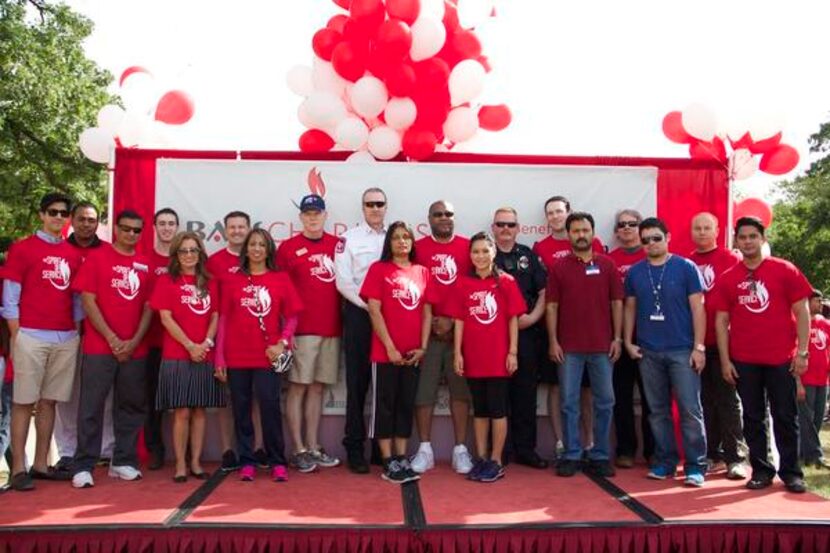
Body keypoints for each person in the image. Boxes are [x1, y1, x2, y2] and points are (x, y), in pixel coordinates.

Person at [714, 216, 812, 494]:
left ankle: (792, 473)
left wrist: (802, 352)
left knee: (785, 416)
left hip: (782, 359)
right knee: (753, 417)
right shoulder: (728, 278)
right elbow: (721, 321)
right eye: (742, 237)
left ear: (762, 239)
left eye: (752, 236)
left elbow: (802, 311)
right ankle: (760, 470)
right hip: (745, 361)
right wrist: (725, 360)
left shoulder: (784, 270)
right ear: (736, 241)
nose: (747, 241)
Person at [2, 192, 83, 491]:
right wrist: (17, 334)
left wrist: (75, 332)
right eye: (53, 212)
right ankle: (19, 469)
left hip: (65, 337)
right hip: (30, 336)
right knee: (23, 402)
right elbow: (9, 297)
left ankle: (40, 464)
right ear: (41, 214)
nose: (58, 217)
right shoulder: (22, 249)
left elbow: (77, 301)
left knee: (49, 403)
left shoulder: (74, 254)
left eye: (63, 213)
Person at [72, 209, 154, 489]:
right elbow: (88, 301)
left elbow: (148, 308)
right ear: (116, 229)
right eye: (127, 229)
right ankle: (83, 465)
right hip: (99, 347)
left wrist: (132, 341)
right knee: (91, 406)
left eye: (137, 230)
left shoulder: (145, 263)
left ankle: (123, 461)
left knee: (130, 406)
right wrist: (111, 338)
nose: (131, 234)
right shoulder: (97, 258)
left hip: (135, 349)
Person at [623, 217, 708, 487]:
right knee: (657, 411)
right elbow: (629, 309)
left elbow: (698, 309)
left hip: (683, 351)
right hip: (648, 351)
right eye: (645, 240)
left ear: (668, 237)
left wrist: (699, 347)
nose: (650, 244)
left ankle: (696, 466)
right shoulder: (636, 272)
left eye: (655, 238)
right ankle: (665, 462)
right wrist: (627, 340)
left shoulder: (685, 267)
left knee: (689, 410)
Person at [215, 228, 302, 482]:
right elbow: (223, 320)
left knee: (270, 406)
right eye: (252, 244)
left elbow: (293, 316)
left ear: (268, 250)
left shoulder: (281, 278)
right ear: (246, 249)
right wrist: (219, 356)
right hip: (237, 354)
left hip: (268, 355)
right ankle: (247, 460)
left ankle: (277, 460)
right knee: (241, 409)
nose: (256, 249)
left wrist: (282, 343)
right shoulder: (233, 280)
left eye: (261, 245)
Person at [547, 212, 622, 478]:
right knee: (569, 403)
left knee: (605, 401)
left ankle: (600, 455)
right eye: (576, 230)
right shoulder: (559, 267)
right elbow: (552, 306)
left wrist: (618, 338)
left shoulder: (608, 265)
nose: (581, 235)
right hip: (568, 349)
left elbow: (617, 303)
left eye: (585, 230)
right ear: (568, 235)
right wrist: (553, 341)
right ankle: (571, 455)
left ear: (593, 232)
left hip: (603, 347)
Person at [360, 221, 432, 483]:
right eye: (396, 238)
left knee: (405, 406)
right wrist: (389, 347)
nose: (402, 241)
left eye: (406, 237)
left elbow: (426, 311)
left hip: (413, 354)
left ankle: (402, 457)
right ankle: (388, 460)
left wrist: (423, 347)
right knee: (385, 407)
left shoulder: (422, 272)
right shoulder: (379, 270)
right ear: (388, 243)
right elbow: (374, 310)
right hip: (385, 354)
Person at [150, 231, 224, 482]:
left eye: (193, 250)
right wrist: (189, 345)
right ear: (176, 255)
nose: (189, 255)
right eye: (184, 251)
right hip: (177, 353)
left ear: (200, 253)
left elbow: (215, 315)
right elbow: (165, 317)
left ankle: (196, 462)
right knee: (181, 411)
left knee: (200, 411)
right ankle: (180, 463)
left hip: (204, 352)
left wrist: (205, 343)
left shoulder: (210, 281)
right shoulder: (167, 281)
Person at [452, 232, 527, 482]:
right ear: (470, 255)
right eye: (476, 252)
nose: (480, 256)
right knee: (480, 410)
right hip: (473, 358)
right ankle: (482, 458)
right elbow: (459, 321)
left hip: (498, 358)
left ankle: (496, 461)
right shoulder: (463, 283)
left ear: (493, 253)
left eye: (485, 251)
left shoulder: (506, 281)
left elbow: (513, 319)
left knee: (497, 410)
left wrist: (513, 352)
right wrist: (458, 353)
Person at [276, 194, 342, 473]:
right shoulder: (288, 248)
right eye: (308, 213)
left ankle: (314, 446)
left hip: (332, 328)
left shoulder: (338, 245)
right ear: (301, 217)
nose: (313, 217)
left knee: (317, 388)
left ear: (325, 215)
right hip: (302, 330)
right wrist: (285, 333)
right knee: (298, 387)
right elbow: (280, 293)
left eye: (317, 213)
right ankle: (298, 448)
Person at [533, 196, 603, 457]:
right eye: (550, 213)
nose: (555, 217)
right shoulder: (541, 247)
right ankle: (562, 442)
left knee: (587, 391)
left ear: (569, 213)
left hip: (590, 331)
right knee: (557, 388)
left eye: (559, 211)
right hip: (556, 331)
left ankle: (591, 441)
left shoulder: (593, 245)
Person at [410, 200, 473, 475]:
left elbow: (474, 287)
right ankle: (425, 450)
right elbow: (410, 284)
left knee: (461, 394)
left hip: (461, 333)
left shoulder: (468, 247)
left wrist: (452, 321)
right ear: (429, 218)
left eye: (449, 213)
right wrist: (433, 321)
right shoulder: (418, 248)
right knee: (424, 394)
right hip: (428, 333)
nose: (444, 218)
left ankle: (460, 450)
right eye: (438, 214)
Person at [54, 202, 114, 475]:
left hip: (99, 334)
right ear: (72, 221)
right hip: (62, 331)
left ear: (98, 222)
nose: (86, 224)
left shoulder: (108, 253)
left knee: (105, 396)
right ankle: (67, 451)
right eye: (81, 219)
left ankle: (105, 449)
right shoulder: (58, 251)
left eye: (91, 220)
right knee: (67, 395)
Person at [688, 212, 747, 479]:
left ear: (717, 230)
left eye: (706, 228)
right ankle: (712, 454)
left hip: (726, 344)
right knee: (704, 402)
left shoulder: (731, 259)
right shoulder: (686, 262)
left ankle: (735, 457)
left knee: (727, 401)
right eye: (697, 228)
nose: (701, 232)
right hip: (696, 344)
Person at [206, 210, 264, 472]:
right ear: (225, 230)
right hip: (225, 340)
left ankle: (258, 448)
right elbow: (215, 307)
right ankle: (228, 450)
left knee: (258, 399)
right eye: (233, 227)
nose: (238, 231)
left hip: (258, 343)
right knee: (229, 400)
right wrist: (217, 348)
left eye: (242, 227)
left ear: (250, 229)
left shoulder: (259, 258)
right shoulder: (215, 262)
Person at [335, 187, 388, 474]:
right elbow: (343, 283)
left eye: (380, 204)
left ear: (386, 206)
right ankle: (354, 448)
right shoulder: (349, 239)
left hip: (391, 319)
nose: (375, 208)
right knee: (357, 386)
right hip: (360, 314)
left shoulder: (395, 236)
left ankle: (383, 447)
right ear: (362, 207)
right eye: (370, 204)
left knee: (385, 385)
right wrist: (370, 307)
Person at [492, 207, 548, 468]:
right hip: (494, 335)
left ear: (518, 227)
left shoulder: (529, 256)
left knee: (525, 394)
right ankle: (498, 451)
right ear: (493, 227)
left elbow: (544, 291)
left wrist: (535, 317)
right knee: (497, 395)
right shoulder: (484, 255)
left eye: (510, 225)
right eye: (501, 224)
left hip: (526, 333)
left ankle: (526, 450)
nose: (505, 229)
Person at [607, 209, 653, 468]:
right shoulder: (608, 260)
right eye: (621, 224)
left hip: (650, 339)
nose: (626, 228)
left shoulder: (652, 257)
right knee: (621, 398)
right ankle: (625, 450)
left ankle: (653, 451)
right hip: (619, 340)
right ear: (615, 231)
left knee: (652, 400)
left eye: (632, 224)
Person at [145, 207, 180, 470]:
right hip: (150, 343)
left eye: (171, 223)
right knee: (152, 400)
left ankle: (187, 451)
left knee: (183, 402)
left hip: (181, 345)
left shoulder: (185, 261)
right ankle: (155, 449)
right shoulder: (144, 259)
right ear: (155, 227)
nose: (167, 227)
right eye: (162, 223)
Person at [798, 290, 830, 469]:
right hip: (806, 378)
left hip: (822, 379)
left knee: (817, 418)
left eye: (821, 301)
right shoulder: (800, 323)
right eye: (816, 301)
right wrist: (797, 382)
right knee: (806, 418)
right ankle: (816, 456)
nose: (820, 304)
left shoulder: (825, 324)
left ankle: (804, 452)